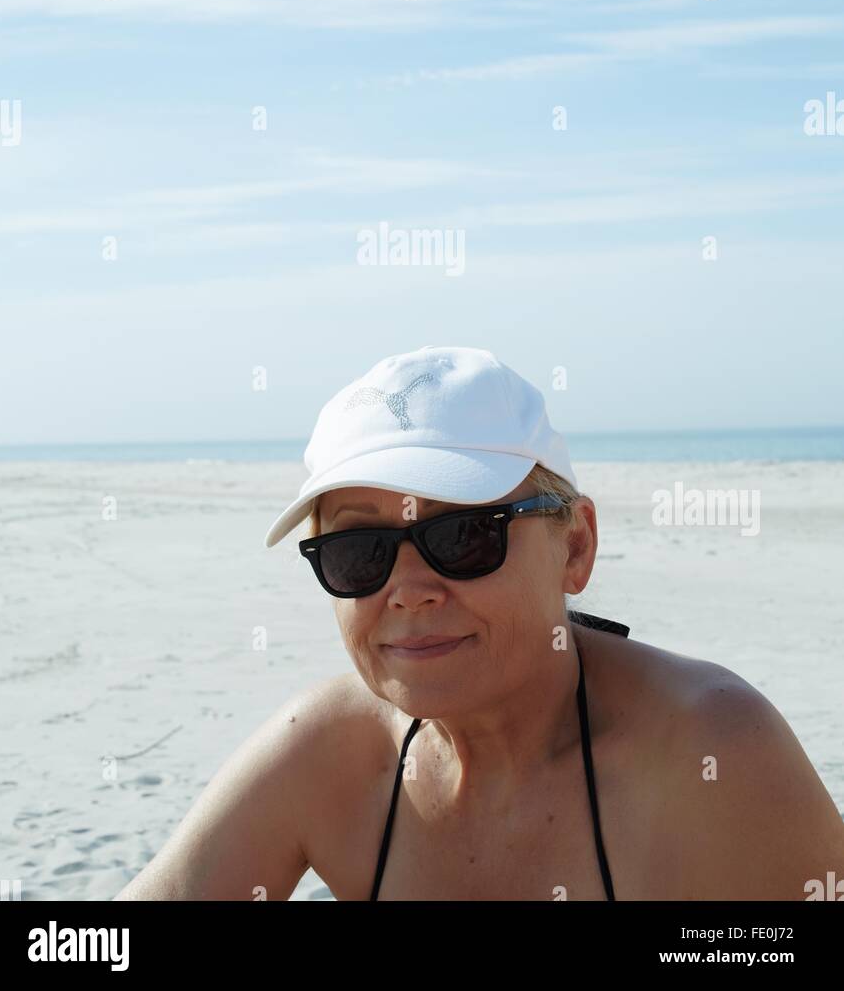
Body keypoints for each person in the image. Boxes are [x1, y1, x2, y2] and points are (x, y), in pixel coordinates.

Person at [115, 345, 844, 901]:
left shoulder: (708, 753)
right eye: (358, 551)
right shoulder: (328, 751)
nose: (406, 590)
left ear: (576, 547)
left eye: (465, 535)